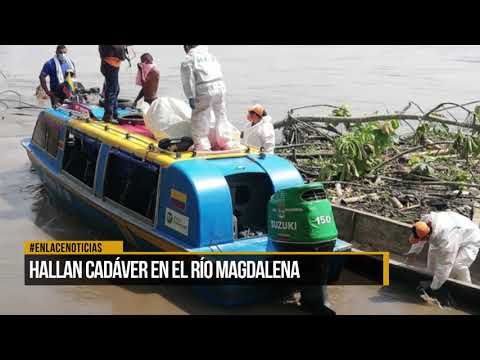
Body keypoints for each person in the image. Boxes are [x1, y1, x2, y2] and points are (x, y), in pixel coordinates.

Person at [406, 211, 480, 296]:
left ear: (427, 236)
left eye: (422, 239)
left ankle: (468, 292)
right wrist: (413, 252)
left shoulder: (447, 240)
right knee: (432, 260)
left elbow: (445, 265)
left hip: (471, 238)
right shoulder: (425, 221)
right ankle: (434, 281)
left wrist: (432, 289)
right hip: (455, 226)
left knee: (457, 267)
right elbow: (419, 237)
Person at [181, 45, 228, 151]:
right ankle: (226, 142)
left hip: (204, 89)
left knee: (199, 118)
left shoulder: (189, 59)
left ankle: (202, 146)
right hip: (220, 87)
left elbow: (187, 81)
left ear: (187, 47)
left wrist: (190, 96)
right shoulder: (210, 56)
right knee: (221, 115)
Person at [98, 45, 129, 122]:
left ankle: (114, 113)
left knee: (115, 89)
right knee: (112, 90)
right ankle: (108, 115)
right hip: (110, 64)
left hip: (111, 64)